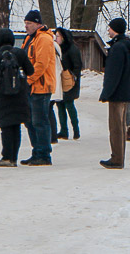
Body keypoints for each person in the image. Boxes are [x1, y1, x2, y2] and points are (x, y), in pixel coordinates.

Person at [0, 28, 34, 166]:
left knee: (6, 127)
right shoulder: (20, 53)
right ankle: (13, 158)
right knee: (16, 126)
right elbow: (31, 70)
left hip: (2, 96)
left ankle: (6, 157)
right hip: (19, 95)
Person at [99, 17, 130, 169]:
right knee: (120, 126)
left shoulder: (118, 48)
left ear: (115, 29)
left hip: (117, 93)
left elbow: (113, 74)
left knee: (116, 127)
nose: (108, 30)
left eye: (110, 28)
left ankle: (117, 159)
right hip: (125, 91)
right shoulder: (126, 46)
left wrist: (106, 93)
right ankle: (118, 157)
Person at [21, 9, 57, 165]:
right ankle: (36, 151)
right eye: (25, 23)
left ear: (37, 24)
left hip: (40, 87)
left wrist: (29, 80)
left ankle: (43, 153)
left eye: (29, 23)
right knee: (30, 121)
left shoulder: (43, 39)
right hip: (31, 86)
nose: (26, 26)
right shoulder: (30, 38)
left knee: (40, 121)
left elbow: (40, 64)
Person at [54, 27, 82, 140]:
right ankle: (64, 130)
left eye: (58, 36)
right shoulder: (59, 49)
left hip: (70, 81)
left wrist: (73, 77)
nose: (56, 38)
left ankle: (76, 130)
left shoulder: (72, 49)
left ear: (64, 37)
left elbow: (77, 65)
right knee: (60, 105)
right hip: (60, 80)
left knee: (69, 105)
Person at [49, 36, 63, 144]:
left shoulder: (50, 46)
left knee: (48, 110)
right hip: (56, 82)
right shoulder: (57, 47)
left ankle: (52, 135)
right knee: (50, 110)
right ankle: (53, 135)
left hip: (50, 83)